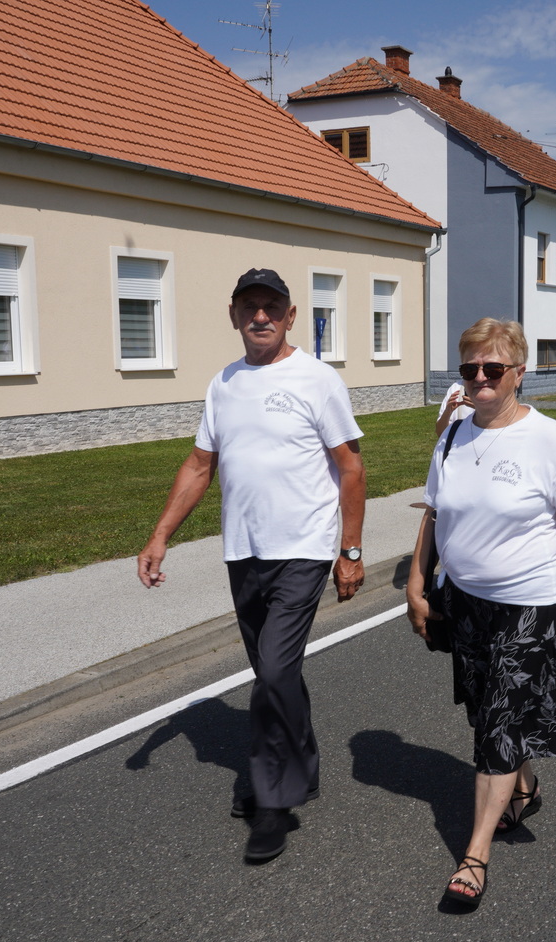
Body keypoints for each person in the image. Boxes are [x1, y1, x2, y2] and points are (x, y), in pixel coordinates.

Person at [137, 268, 366, 864]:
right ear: (234, 315)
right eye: (249, 307)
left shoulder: (317, 379)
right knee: (274, 672)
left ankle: (272, 798)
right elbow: (198, 465)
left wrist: (350, 551)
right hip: (243, 550)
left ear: (290, 316)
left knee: (273, 671)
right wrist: (160, 535)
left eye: (271, 306)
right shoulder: (224, 384)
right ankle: (301, 769)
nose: (260, 316)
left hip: (304, 547)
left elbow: (351, 467)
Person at [405, 318, 556, 910]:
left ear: (519, 373)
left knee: (498, 723)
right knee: (485, 710)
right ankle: (524, 786)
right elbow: (434, 514)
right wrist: (416, 584)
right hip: (465, 602)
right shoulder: (452, 436)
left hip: (528, 605)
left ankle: (474, 855)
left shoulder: (548, 439)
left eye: (492, 368)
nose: (480, 378)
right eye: (469, 368)